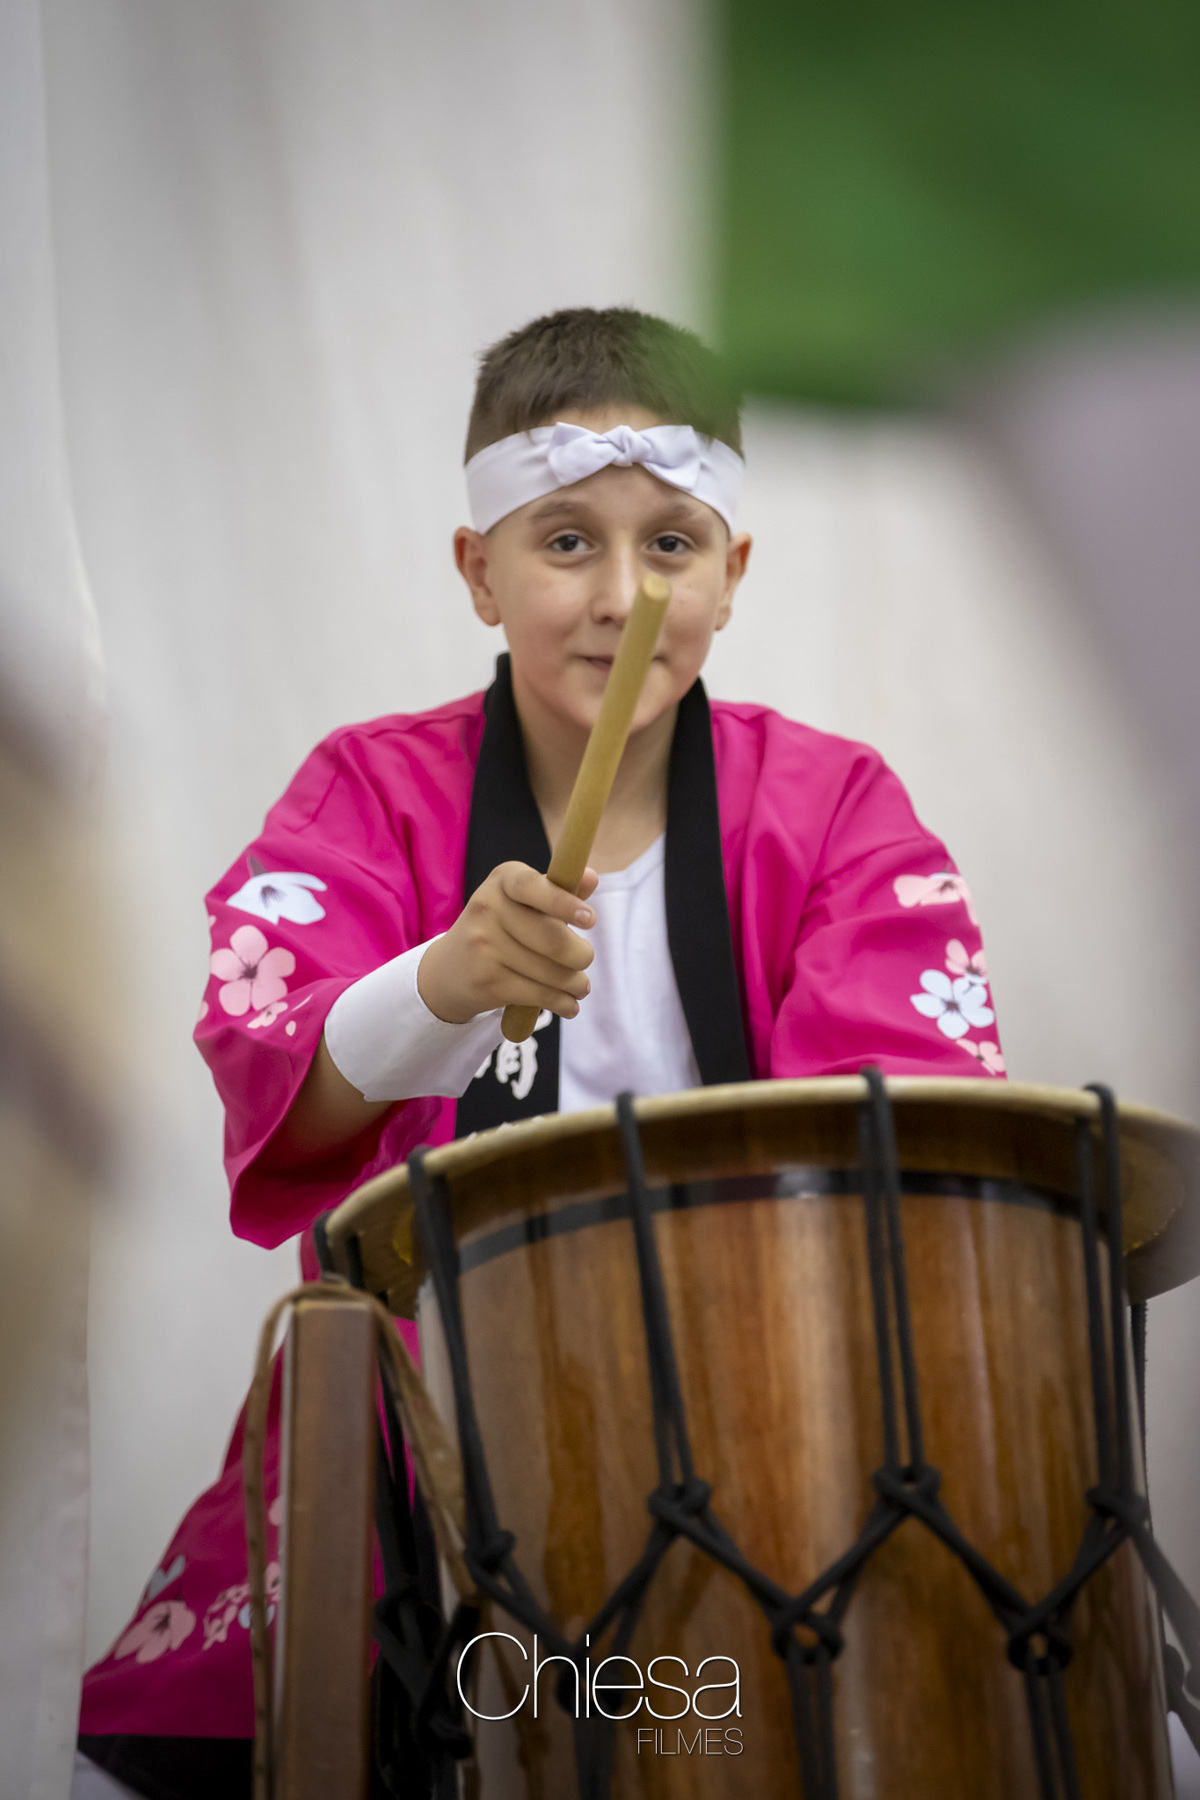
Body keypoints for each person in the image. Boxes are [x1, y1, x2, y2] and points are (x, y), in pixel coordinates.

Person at [75, 306, 1001, 1798]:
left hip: (769, 1425)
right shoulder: (369, 792)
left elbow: (905, 1141)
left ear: (733, 574)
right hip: (417, 1432)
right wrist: (435, 986)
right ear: (479, 572)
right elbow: (279, 1092)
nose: (621, 596)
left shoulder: (835, 810)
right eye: (566, 541)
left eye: (672, 545)